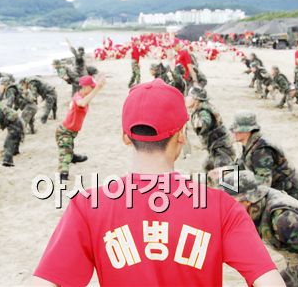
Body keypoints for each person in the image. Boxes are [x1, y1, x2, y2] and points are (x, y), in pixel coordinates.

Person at [33, 79, 284, 287]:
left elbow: (46, 281)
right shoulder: (221, 206)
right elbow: (270, 281)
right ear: (181, 136)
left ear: (125, 137)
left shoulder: (88, 205)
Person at [229, 111, 298, 203]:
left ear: (247, 131)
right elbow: (240, 165)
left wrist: (242, 199)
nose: (233, 132)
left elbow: (263, 185)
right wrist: (221, 174)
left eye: (236, 130)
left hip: (288, 195)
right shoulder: (251, 143)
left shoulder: (261, 150)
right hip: (275, 189)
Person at [55, 74, 106, 180]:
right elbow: (82, 103)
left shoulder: (84, 96)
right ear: (85, 87)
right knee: (65, 153)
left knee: (69, 147)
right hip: (64, 132)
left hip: (72, 132)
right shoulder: (78, 97)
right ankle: (63, 174)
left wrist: (98, 84)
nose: (92, 89)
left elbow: (88, 97)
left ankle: (73, 156)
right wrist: (97, 89)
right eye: (91, 87)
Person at [186, 87, 235, 171]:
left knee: (222, 174)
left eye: (189, 96)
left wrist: (200, 124)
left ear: (196, 99)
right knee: (207, 166)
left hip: (221, 150)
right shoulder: (201, 108)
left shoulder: (203, 111)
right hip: (215, 148)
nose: (186, 98)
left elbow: (206, 121)